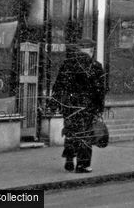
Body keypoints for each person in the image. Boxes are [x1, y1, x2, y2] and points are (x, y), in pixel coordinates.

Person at [50, 38, 106, 173]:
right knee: (85, 134)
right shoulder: (95, 66)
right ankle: (83, 164)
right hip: (86, 107)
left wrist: (55, 103)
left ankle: (69, 157)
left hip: (69, 106)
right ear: (91, 50)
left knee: (71, 131)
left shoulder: (67, 64)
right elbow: (100, 90)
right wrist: (99, 107)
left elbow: (58, 85)